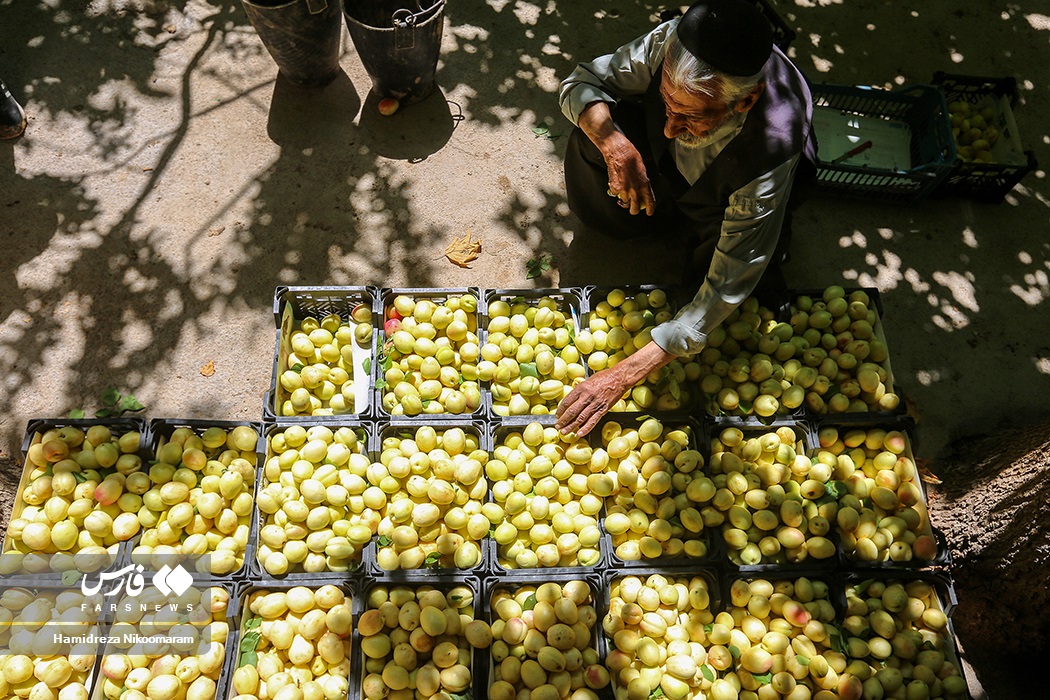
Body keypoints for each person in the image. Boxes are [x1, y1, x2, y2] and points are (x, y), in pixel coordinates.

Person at [555, 0, 816, 436]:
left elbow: (730, 279)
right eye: (667, 105)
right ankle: (645, 212)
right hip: (676, 171)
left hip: (731, 190)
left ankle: (693, 230)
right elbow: (582, 81)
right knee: (593, 132)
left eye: (692, 116)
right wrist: (614, 143)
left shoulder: (766, 157)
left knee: (721, 299)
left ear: (744, 101)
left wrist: (624, 373)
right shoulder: (674, 44)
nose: (670, 129)